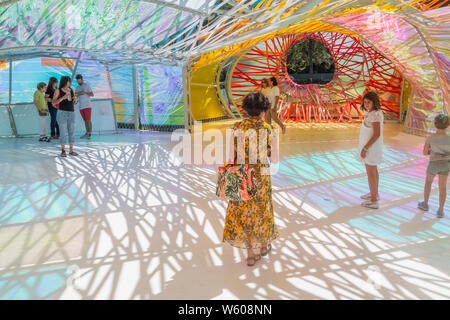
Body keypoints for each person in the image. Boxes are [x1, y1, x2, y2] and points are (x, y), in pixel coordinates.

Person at [223, 92, 280, 267]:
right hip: (261, 176)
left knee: (245, 213)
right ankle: (263, 246)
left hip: (242, 176)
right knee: (262, 210)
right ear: (263, 110)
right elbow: (275, 159)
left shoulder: (237, 127)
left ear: (247, 109)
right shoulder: (269, 130)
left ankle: (250, 254)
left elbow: (230, 156)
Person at [418, 114, 449, 218]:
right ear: (448, 125)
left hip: (433, 164)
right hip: (445, 165)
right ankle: (440, 210)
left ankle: (425, 204)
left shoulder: (431, 138)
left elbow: (425, 152)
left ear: (435, 124)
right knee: (443, 187)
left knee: (428, 183)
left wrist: (432, 151)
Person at [358, 91, 384, 209]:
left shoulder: (375, 115)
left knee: (371, 173)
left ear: (374, 102)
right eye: (365, 102)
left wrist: (365, 148)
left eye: (369, 102)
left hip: (371, 148)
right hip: (371, 147)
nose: (366, 104)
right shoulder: (373, 113)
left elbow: (376, 134)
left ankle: (374, 200)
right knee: (373, 171)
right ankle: (374, 194)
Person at [53, 76, 78, 157]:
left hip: (71, 112)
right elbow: (54, 102)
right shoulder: (58, 90)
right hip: (62, 112)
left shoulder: (72, 90)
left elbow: (73, 103)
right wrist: (63, 97)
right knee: (63, 132)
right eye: (69, 81)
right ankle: (63, 151)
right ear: (65, 82)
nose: (70, 83)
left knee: (72, 132)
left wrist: (75, 100)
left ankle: (71, 150)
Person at [75, 74, 94, 139]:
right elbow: (75, 95)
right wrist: (79, 94)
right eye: (77, 81)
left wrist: (85, 93)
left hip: (87, 105)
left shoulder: (87, 86)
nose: (79, 82)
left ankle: (89, 133)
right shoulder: (77, 87)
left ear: (82, 79)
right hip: (81, 106)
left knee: (88, 120)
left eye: (79, 81)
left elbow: (92, 94)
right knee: (85, 120)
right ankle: (87, 132)